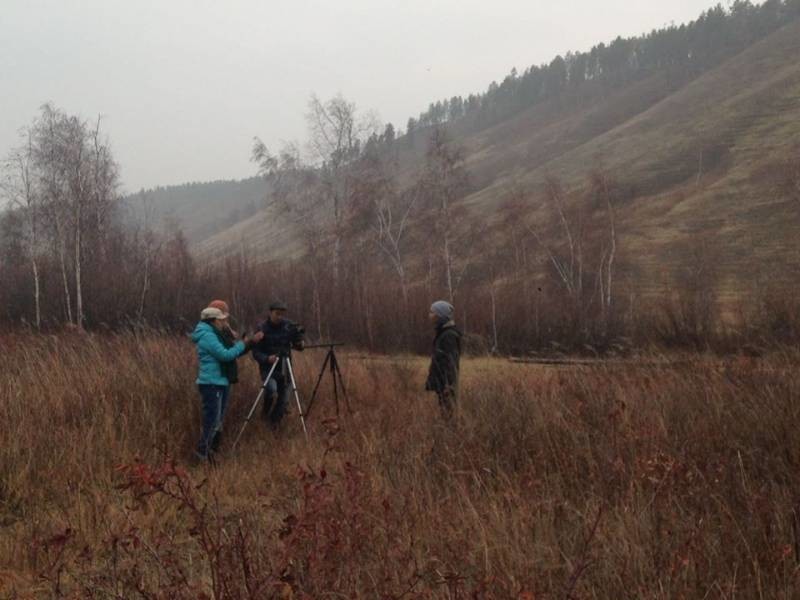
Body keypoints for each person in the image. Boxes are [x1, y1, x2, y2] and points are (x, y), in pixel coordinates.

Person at [191, 306, 263, 461]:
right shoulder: (207, 335)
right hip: (211, 383)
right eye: (222, 320)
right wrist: (243, 344)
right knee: (212, 421)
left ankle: (210, 453)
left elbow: (229, 350)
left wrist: (243, 343)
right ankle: (201, 454)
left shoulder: (215, 333)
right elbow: (225, 355)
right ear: (214, 320)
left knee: (217, 421)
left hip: (220, 381)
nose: (224, 322)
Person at [251, 300, 304, 428]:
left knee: (284, 398)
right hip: (268, 368)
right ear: (270, 313)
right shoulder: (262, 328)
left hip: (285, 368)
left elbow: (297, 345)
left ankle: (273, 423)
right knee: (271, 390)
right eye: (277, 313)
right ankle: (265, 413)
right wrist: (267, 358)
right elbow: (256, 352)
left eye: (282, 314)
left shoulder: (288, 326)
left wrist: (300, 343)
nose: (280, 317)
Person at [425, 300, 462, 419]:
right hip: (443, 385)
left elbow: (451, 363)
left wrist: (448, 386)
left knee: (448, 417)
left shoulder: (448, 336)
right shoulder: (443, 333)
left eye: (432, 312)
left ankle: (451, 437)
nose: (429, 315)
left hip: (446, 386)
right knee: (445, 415)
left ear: (440, 315)